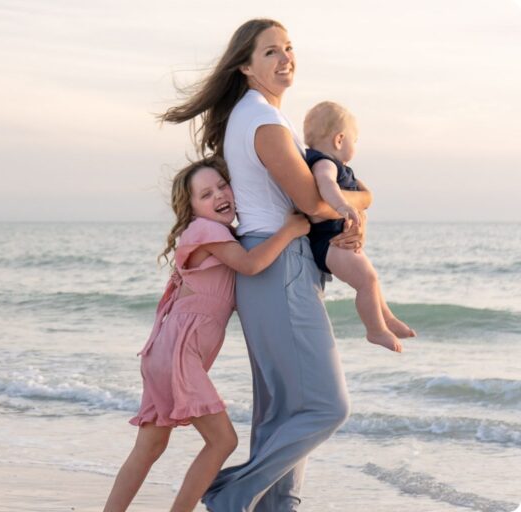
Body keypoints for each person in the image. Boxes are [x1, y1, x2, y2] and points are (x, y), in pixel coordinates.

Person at [159, 19, 369, 511]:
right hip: (281, 268)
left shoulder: (253, 118)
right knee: (325, 407)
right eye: (271, 51)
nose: (285, 58)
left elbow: (311, 203)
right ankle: (232, 494)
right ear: (246, 66)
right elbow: (313, 204)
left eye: (289, 48)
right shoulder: (263, 121)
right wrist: (366, 197)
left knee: (283, 411)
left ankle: (278, 506)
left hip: (274, 265)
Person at [103, 158, 309, 512]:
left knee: (149, 447)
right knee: (222, 440)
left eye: (222, 186)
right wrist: (290, 230)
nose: (219, 195)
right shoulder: (206, 231)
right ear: (192, 208)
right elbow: (250, 264)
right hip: (178, 353)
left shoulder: (218, 234)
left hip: (164, 352)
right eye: (206, 193)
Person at [302, 101, 416, 351]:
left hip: (335, 240)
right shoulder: (325, 164)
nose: (356, 145)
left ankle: (387, 319)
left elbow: (363, 193)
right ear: (340, 139)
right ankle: (375, 330)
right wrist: (343, 207)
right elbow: (326, 185)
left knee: (370, 279)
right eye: (356, 139)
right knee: (367, 280)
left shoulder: (338, 166)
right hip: (326, 241)